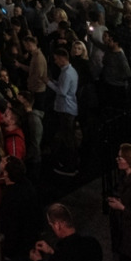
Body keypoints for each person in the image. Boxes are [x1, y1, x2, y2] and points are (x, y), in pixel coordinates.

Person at [30, 203, 102, 261]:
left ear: (57, 225)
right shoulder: (93, 243)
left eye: (51, 225)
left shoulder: (61, 258)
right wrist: (51, 251)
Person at [46, 46, 80, 175]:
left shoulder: (66, 73)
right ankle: (67, 161)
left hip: (66, 109)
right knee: (66, 137)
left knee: (68, 139)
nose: (55, 62)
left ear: (62, 58)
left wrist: (48, 83)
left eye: (56, 59)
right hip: (68, 108)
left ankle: (71, 165)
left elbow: (62, 91)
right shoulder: (70, 71)